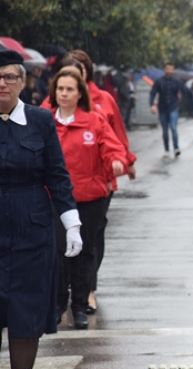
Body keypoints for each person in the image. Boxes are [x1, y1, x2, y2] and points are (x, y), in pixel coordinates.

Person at [0, 50, 83, 369]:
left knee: (26, 314)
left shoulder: (39, 121)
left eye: (9, 77)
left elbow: (57, 174)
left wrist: (71, 222)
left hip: (32, 230)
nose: (2, 84)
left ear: (23, 82)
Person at [48, 66, 128, 329]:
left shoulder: (94, 121)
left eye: (70, 89)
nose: (64, 94)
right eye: (60, 89)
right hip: (57, 200)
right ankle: (59, 303)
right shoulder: (45, 120)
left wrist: (117, 161)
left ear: (79, 93)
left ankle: (80, 306)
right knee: (59, 253)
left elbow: (111, 145)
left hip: (89, 197)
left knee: (85, 252)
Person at [65, 50, 137, 315]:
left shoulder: (103, 100)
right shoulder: (53, 103)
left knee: (91, 237)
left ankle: (88, 290)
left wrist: (125, 161)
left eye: (79, 70)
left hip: (99, 182)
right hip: (65, 185)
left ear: (87, 73)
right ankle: (68, 291)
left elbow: (116, 134)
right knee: (64, 240)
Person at [150, 62, 193, 159]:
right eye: (167, 69)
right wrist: (152, 105)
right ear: (165, 70)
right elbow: (152, 93)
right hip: (162, 108)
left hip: (173, 108)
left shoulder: (177, 81)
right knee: (165, 131)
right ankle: (167, 150)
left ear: (173, 70)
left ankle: (176, 148)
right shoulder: (159, 82)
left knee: (173, 128)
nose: (169, 71)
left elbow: (187, 92)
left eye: (171, 69)